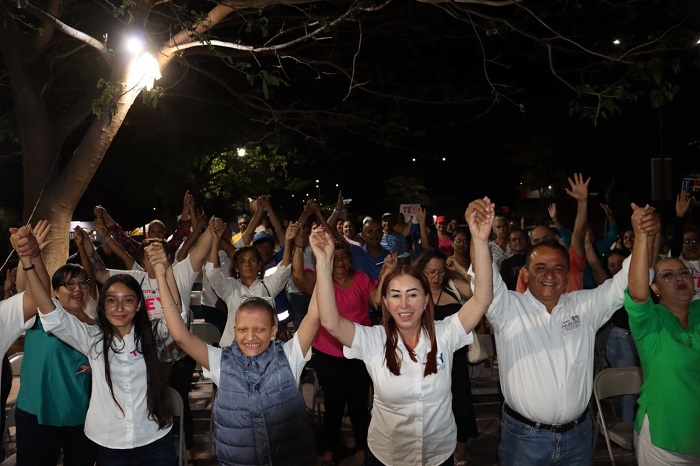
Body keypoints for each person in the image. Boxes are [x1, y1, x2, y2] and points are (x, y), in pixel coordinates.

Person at [470, 201, 659, 466]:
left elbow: (628, 280)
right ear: (525, 273)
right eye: (540, 267)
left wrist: (645, 236)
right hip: (525, 439)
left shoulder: (585, 305)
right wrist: (478, 237)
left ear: (567, 273)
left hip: (578, 436)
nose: (550, 275)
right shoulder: (508, 308)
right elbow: (483, 276)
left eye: (559, 268)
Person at [312, 196, 495, 466]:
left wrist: (479, 241)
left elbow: (482, 299)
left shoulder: (445, 333)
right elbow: (330, 321)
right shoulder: (374, 339)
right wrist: (324, 262)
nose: (405, 304)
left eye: (412, 294)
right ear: (385, 302)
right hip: (388, 456)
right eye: (395, 295)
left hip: (438, 454)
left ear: (425, 301)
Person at [146, 235, 320, 466]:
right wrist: (160, 274)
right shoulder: (221, 361)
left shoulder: (289, 356)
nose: (250, 337)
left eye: (259, 329)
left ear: (273, 331)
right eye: (243, 329)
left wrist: (324, 262)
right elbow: (180, 336)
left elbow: (315, 314)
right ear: (233, 330)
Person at [17, 227, 176, 466]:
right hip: (80, 431)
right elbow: (45, 304)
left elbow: (176, 318)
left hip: (142, 435)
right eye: (111, 300)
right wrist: (29, 260)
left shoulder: (141, 334)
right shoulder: (90, 337)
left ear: (139, 305)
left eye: (128, 300)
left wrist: (164, 272)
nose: (120, 307)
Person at [293, 238, 390, 465]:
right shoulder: (321, 281)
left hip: (358, 352)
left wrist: (385, 272)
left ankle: (361, 446)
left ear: (350, 260)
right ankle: (330, 449)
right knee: (334, 404)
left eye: (344, 256)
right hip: (328, 353)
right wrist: (297, 245)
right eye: (334, 257)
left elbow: (377, 300)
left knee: (359, 402)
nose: (339, 261)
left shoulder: (361, 279)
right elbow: (298, 276)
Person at [626, 209, 700, 464]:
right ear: (655, 288)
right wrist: (641, 236)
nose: (679, 277)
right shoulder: (650, 320)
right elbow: (637, 294)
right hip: (665, 443)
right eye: (667, 275)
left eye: (683, 273)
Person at [15, 264, 98, 466]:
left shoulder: (97, 328)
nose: (77, 289)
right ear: (56, 291)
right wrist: (26, 256)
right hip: (37, 412)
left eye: (83, 283)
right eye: (69, 284)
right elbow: (22, 288)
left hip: (81, 415)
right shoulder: (42, 315)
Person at [413, 248, 477, 465]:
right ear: (421, 270)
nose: (436, 277)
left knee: (459, 398)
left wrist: (459, 268)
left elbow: (478, 291)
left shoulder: (452, 286)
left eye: (440, 272)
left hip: (454, 356)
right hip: (423, 356)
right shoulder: (414, 290)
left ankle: (460, 451)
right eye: (431, 272)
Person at [206, 218, 294, 347]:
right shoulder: (230, 288)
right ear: (236, 267)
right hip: (233, 350)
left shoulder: (268, 285)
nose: (247, 265)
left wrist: (288, 240)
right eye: (242, 261)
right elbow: (212, 273)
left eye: (252, 260)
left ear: (259, 265)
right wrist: (215, 240)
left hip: (263, 349)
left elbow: (284, 269)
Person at [603, 248, 640, 422]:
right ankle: (628, 426)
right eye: (612, 265)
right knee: (627, 386)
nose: (617, 267)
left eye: (621, 262)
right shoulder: (609, 288)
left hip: (642, 338)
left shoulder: (644, 282)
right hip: (621, 339)